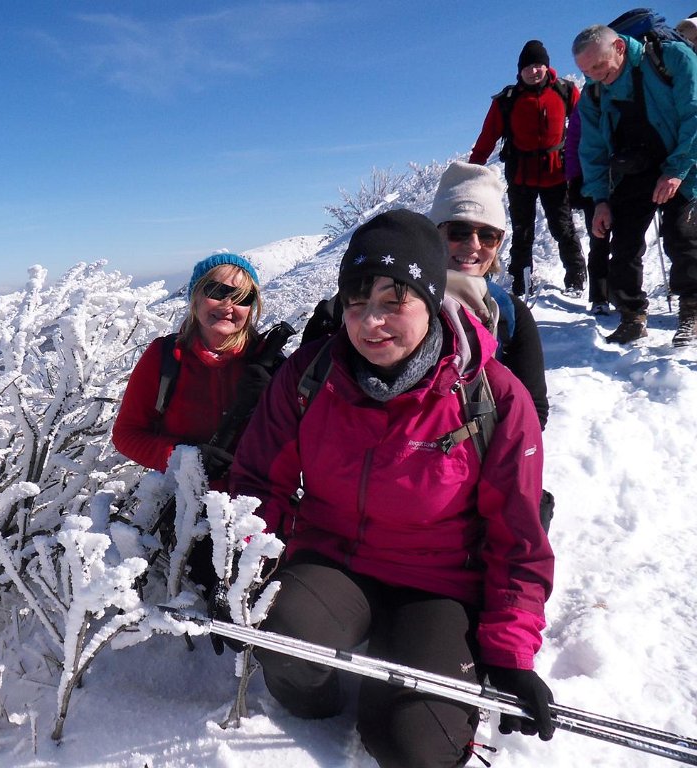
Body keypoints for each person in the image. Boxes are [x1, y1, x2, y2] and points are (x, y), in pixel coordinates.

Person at [231, 210, 555, 768]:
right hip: (334, 559)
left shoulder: (492, 398)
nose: (371, 321)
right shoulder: (312, 376)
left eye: (393, 299)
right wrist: (243, 575)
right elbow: (260, 484)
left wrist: (511, 651)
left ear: (430, 301)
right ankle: (318, 704)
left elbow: (519, 536)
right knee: (283, 643)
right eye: (357, 302)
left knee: (417, 747)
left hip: (439, 584)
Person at [112, 252, 270, 592]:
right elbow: (126, 434)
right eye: (217, 291)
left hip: (257, 506)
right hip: (187, 505)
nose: (228, 305)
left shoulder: (268, 363)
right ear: (195, 298)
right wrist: (186, 457)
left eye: (243, 297)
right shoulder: (165, 357)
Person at [573, 24, 697, 346]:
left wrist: (676, 171)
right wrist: (600, 199)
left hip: (684, 161)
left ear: (619, 48)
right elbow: (592, 150)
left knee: (682, 236)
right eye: (586, 71)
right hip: (634, 170)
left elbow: (694, 115)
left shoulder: (672, 59)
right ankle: (632, 317)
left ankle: (692, 311)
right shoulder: (593, 93)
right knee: (624, 244)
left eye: (598, 66)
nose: (595, 76)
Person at [429, 160, 550, 427]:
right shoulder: (393, 300)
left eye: (488, 236)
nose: (473, 245)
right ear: (434, 233)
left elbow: (532, 413)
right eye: (459, 232)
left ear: (498, 244)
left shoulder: (508, 311)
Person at [470, 40, 587, 299]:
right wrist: (473, 169)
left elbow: (585, 125)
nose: (533, 71)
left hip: (556, 174)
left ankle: (576, 278)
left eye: (538, 65)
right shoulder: (507, 100)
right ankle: (522, 282)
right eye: (527, 67)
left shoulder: (565, 91)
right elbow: (487, 136)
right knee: (523, 232)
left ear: (546, 67)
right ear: (519, 71)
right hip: (521, 175)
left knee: (563, 228)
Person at [565, 105, 613, 315]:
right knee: (599, 239)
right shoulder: (586, 105)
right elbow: (573, 142)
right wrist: (574, 178)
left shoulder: (628, 93)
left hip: (625, 176)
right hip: (591, 181)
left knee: (625, 242)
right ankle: (600, 296)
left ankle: (620, 292)